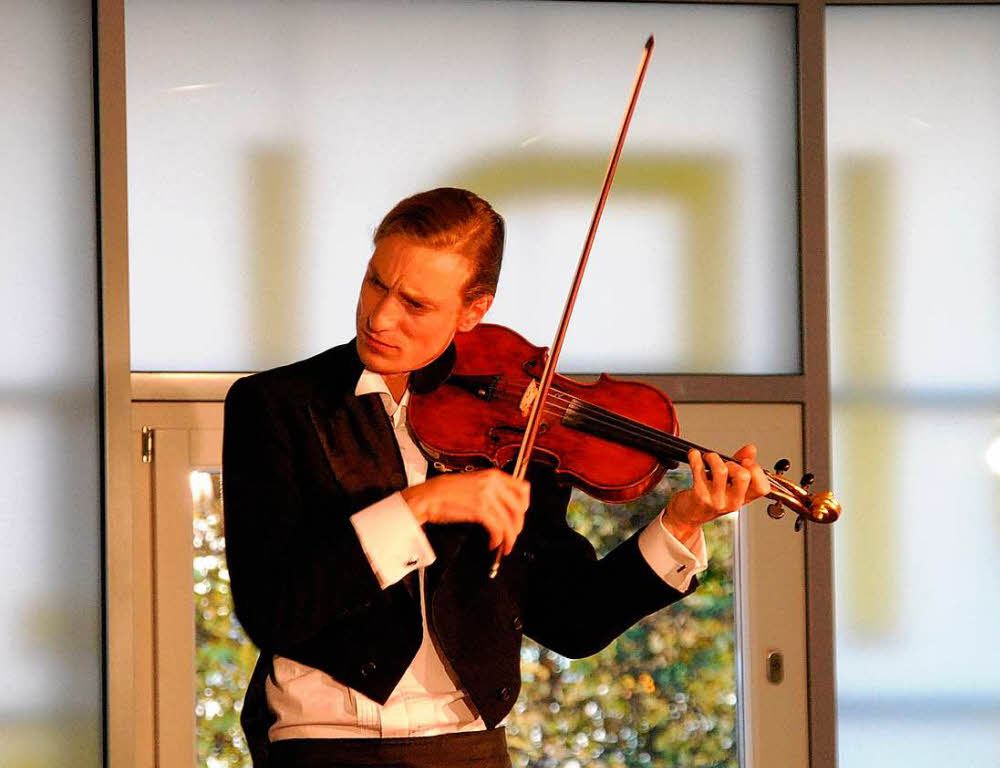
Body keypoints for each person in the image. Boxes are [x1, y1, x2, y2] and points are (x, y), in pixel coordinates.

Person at [222, 187, 770, 768]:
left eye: (416, 304)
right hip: (322, 745)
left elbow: (570, 621)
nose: (381, 318)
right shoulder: (276, 404)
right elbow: (272, 610)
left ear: (473, 310)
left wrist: (681, 522)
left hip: (471, 750)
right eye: (376, 283)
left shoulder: (520, 424)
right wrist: (420, 506)